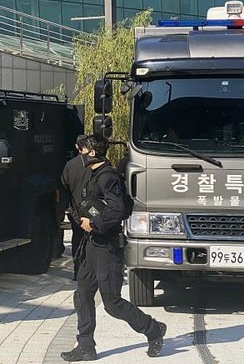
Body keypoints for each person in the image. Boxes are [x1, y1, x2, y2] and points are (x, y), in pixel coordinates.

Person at [61, 135, 167, 362]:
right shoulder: (93, 174)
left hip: (107, 247)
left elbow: (118, 210)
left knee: (111, 303)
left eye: (84, 150)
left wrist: (94, 224)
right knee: (83, 294)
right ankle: (86, 346)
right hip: (90, 245)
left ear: (92, 152)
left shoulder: (108, 177)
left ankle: (153, 329)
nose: (81, 153)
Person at [60, 135, 92, 279]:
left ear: (76, 146)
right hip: (93, 208)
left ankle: (78, 271)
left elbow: (64, 185)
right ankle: (91, 271)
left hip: (75, 209)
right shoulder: (96, 163)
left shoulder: (70, 165)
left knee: (77, 238)